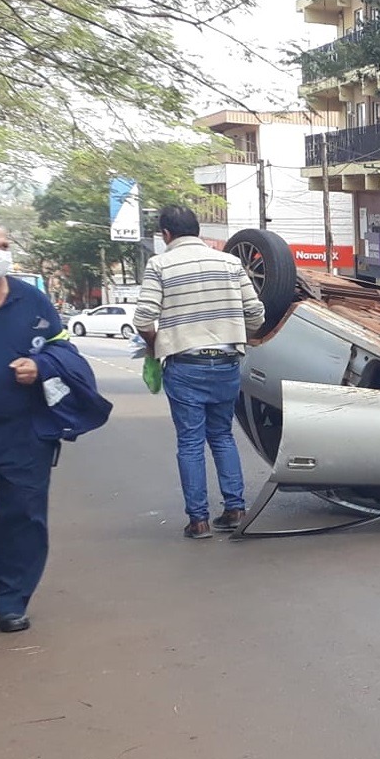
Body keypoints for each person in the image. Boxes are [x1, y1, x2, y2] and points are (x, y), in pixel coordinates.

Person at [133, 205, 265, 540]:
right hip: (226, 364)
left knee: (190, 442)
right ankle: (235, 509)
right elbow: (255, 312)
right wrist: (236, 332)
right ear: (198, 230)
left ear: (166, 234)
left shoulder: (159, 264)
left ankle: (199, 521)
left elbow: (144, 318)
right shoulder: (231, 263)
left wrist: (153, 345)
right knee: (222, 436)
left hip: (185, 365)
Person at [0, 216, 64, 632]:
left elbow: (64, 354)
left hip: (24, 433)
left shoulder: (34, 303)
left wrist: (40, 366)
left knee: (24, 518)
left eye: (3, 246)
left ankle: (10, 600)